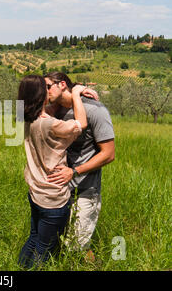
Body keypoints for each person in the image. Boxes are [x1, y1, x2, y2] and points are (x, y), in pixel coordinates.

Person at [17, 75, 88, 269]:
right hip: (52, 197)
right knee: (44, 249)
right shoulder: (49, 124)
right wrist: (75, 93)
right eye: (45, 88)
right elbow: (81, 123)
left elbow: (46, 113)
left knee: (33, 238)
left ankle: (19, 267)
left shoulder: (26, 117)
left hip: (35, 192)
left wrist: (53, 104)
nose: (49, 90)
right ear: (41, 95)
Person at [44, 72, 115, 261]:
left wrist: (74, 171)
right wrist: (76, 93)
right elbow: (23, 113)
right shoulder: (54, 110)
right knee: (59, 244)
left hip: (85, 189)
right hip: (59, 189)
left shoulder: (95, 110)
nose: (45, 91)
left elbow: (108, 154)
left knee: (76, 245)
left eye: (48, 86)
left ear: (62, 85)